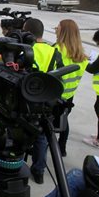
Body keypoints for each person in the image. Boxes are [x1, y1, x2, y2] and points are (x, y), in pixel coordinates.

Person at [22, 18, 63, 184]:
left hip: (26, 98)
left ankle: (17, 166)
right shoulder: (54, 52)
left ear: (27, 31)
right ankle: (39, 171)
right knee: (42, 137)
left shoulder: (26, 49)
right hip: (46, 101)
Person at [53, 20, 89, 157]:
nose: (56, 29)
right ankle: (62, 148)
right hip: (69, 96)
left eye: (58, 27)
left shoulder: (56, 50)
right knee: (64, 121)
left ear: (63, 31)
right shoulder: (81, 55)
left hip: (55, 95)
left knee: (47, 125)